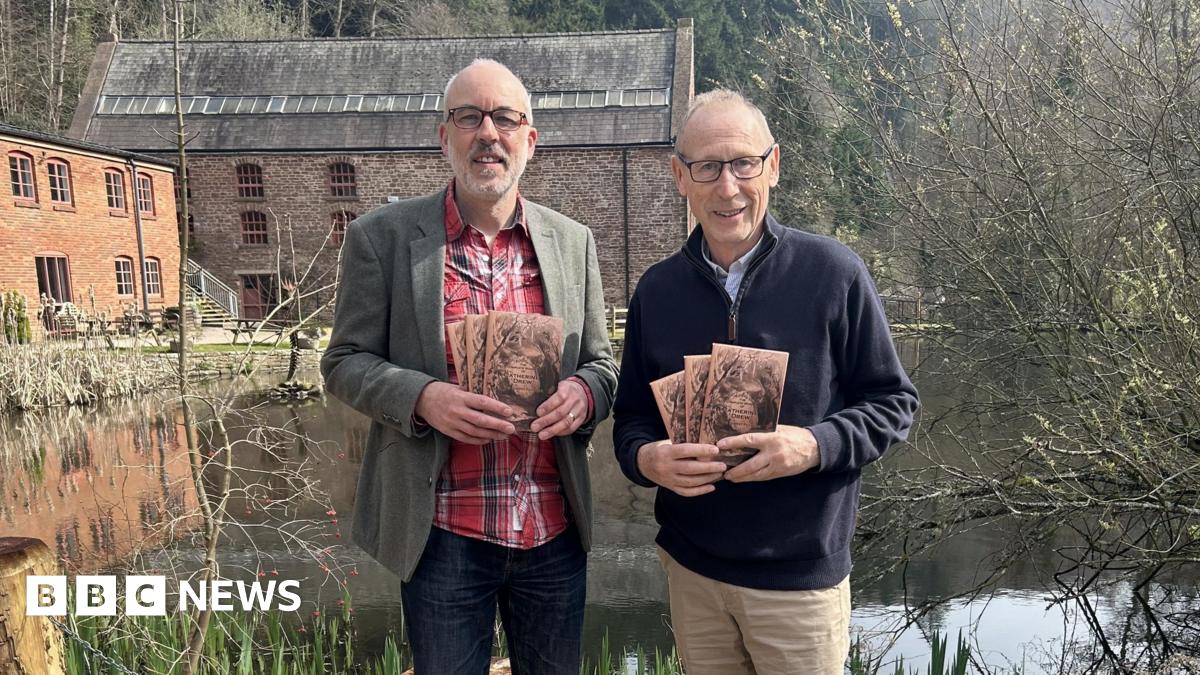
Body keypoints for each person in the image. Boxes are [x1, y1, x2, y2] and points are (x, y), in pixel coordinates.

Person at [321, 58, 618, 675]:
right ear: (444, 137)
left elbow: (601, 365)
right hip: (442, 534)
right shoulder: (382, 237)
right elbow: (344, 361)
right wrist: (423, 397)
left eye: (505, 118)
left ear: (529, 139)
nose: (488, 133)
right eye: (468, 117)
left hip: (553, 528)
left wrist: (585, 395)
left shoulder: (573, 242)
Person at [612, 89, 919, 674]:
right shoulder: (657, 290)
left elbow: (893, 404)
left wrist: (814, 445)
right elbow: (630, 420)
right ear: (680, 176)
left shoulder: (834, 273)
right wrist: (647, 460)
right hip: (693, 572)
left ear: (772, 166)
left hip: (798, 580)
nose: (727, 187)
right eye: (707, 167)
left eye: (743, 163)